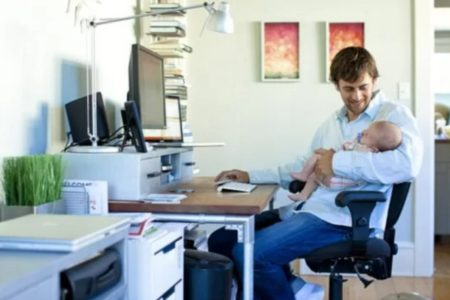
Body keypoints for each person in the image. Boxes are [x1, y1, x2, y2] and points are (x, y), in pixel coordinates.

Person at [209, 46, 423, 300]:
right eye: (348, 88)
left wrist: (337, 161)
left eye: (363, 87)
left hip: (343, 220)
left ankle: (287, 291)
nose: (356, 96)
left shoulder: (393, 115)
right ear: (336, 86)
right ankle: (293, 288)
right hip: (310, 209)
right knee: (222, 240)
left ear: (374, 80)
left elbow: (407, 164)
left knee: (253, 256)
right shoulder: (332, 123)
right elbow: (303, 166)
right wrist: (249, 175)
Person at [289, 120, 402, 201]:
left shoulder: (367, 151)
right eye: (365, 130)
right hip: (335, 179)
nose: (362, 132)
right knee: (314, 175)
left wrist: (345, 147)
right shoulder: (363, 146)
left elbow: (348, 151)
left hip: (337, 180)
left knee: (316, 164)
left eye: (366, 134)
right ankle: (303, 194)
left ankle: (304, 175)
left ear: (375, 148)